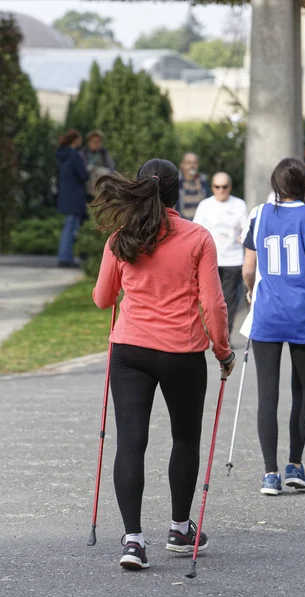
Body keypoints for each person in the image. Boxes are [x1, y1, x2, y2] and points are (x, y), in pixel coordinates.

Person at [91, 158, 236, 570]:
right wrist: (222, 351)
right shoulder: (198, 238)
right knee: (185, 438)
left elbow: (103, 299)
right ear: (177, 192)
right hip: (182, 353)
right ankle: (179, 529)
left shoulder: (122, 237)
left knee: (131, 442)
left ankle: (133, 541)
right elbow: (213, 302)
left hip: (130, 352)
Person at [241, 158, 305, 496]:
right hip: (303, 313)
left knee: (268, 393)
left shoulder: (258, 214)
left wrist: (251, 292)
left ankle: (270, 473)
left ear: (275, 184)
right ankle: (295, 464)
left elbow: (248, 268)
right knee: (302, 390)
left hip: (267, 313)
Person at [193, 172, 248, 337]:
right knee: (209, 300)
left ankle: (224, 335)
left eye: (224, 187)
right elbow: (196, 231)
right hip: (210, 260)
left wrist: (242, 237)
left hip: (233, 259)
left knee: (228, 301)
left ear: (230, 187)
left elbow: (246, 230)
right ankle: (209, 329)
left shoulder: (239, 205)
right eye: (217, 187)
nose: (221, 190)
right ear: (212, 188)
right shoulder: (205, 205)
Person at [56, 129, 88, 268]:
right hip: (75, 195)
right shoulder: (75, 155)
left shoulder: (62, 155)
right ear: (75, 140)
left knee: (68, 226)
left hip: (65, 194)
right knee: (71, 227)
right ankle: (66, 258)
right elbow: (83, 175)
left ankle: (65, 256)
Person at [81, 129, 116, 198]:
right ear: (89, 142)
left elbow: (112, 168)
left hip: (102, 188)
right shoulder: (84, 153)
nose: (96, 144)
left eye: (98, 142)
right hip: (87, 189)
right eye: (94, 142)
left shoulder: (104, 153)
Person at [178, 153, 211, 220]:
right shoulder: (176, 183)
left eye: (195, 163)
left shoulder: (203, 182)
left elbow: (210, 204)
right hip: (182, 224)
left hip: (200, 225)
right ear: (182, 165)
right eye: (188, 163)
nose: (192, 166)